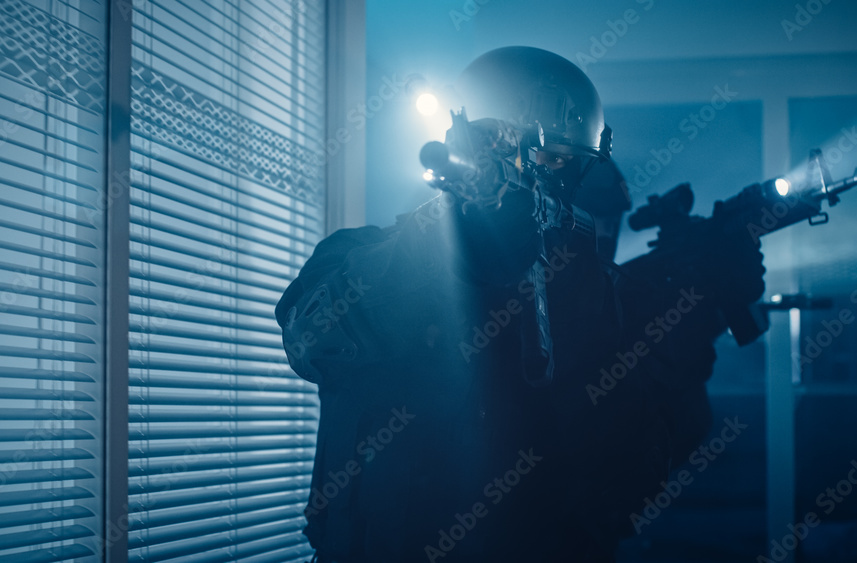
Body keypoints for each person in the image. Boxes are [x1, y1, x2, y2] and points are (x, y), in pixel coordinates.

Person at [274, 46, 766, 562]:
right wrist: (450, 256)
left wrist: (693, 319)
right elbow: (311, 337)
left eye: (564, 165)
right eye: (545, 160)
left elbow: (640, 470)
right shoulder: (360, 255)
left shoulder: (593, 291)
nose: (553, 183)